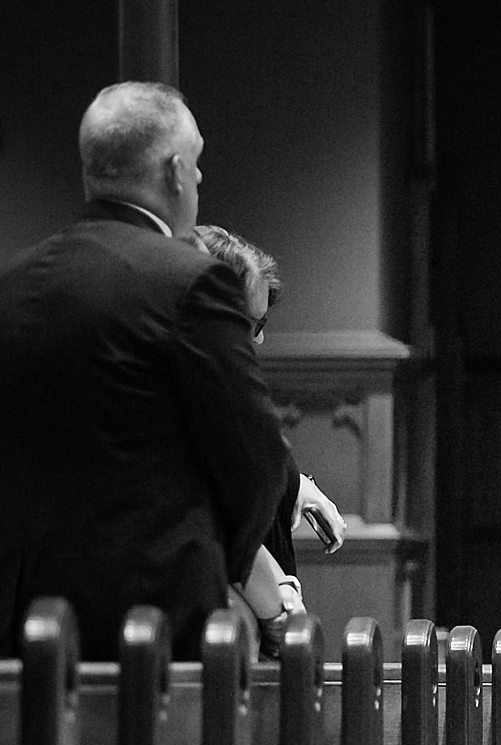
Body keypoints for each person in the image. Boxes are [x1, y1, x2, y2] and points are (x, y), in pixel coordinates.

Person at [0, 82, 291, 661]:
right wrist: (227, 569)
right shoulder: (189, 281)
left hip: (27, 619)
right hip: (154, 620)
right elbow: (256, 462)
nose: (202, 181)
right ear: (176, 171)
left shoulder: (17, 282)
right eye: (200, 164)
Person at [194, 224, 348, 656]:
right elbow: (217, 516)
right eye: (252, 322)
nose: (259, 337)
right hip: (224, 625)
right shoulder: (201, 382)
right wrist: (278, 605)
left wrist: (297, 482)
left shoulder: (220, 379)